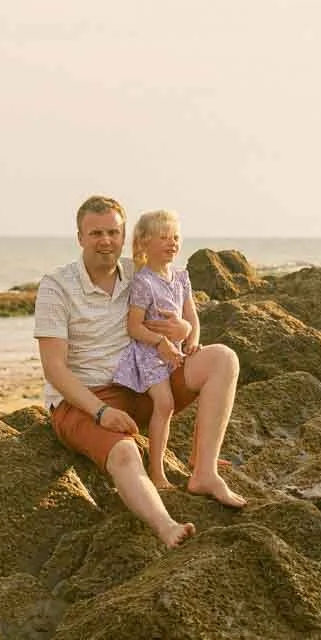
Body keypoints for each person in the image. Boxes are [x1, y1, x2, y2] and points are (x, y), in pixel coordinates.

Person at [35, 196, 245, 551]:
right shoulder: (57, 286)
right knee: (125, 453)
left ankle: (204, 472)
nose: (105, 240)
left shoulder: (140, 273)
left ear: (124, 235)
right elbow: (54, 368)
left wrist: (183, 329)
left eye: (113, 232)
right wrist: (100, 411)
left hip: (143, 383)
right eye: (96, 232)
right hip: (84, 400)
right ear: (80, 237)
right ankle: (166, 526)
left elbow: (182, 313)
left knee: (223, 358)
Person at [111, 209, 198, 490]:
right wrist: (160, 343)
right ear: (145, 242)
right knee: (165, 403)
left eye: (175, 237)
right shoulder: (144, 282)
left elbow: (192, 317)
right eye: (164, 237)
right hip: (150, 354)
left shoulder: (182, 277)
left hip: (180, 350)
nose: (172, 243)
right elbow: (134, 327)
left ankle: (200, 457)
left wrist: (193, 338)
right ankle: (157, 472)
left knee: (206, 385)